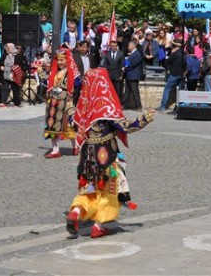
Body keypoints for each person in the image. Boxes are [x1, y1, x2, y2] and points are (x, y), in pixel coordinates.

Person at [65, 68, 155, 239]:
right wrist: (146, 118)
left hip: (87, 158)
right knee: (108, 191)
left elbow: (72, 119)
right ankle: (98, 226)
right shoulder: (106, 107)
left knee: (89, 190)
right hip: (107, 156)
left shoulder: (83, 106)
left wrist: (69, 105)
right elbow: (127, 127)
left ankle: (76, 211)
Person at [43, 49, 79, 158]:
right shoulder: (54, 72)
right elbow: (49, 84)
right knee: (52, 125)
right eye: (58, 60)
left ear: (67, 60)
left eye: (62, 60)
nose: (59, 62)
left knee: (68, 126)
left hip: (66, 100)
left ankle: (75, 146)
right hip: (54, 101)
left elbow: (77, 84)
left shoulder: (71, 72)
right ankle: (55, 150)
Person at [0, 43, 26, 108]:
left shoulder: (18, 55)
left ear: (12, 48)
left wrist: (15, 68)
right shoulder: (4, 55)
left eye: (8, 48)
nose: (6, 50)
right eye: (6, 48)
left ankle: (17, 103)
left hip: (14, 75)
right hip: (5, 74)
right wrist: (1, 66)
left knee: (15, 89)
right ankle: (3, 102)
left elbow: (21, 65)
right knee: (5, 88)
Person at [159, 39, 184, 111]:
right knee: (180, 91)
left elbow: (166, 63)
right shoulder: (184, 53)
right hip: (181, 74)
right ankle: (179, 106)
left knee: (167, 89)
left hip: (174, 74)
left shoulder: (175, 54)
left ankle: (163, 106)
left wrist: (168, 67)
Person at [122, 41, 144, 111]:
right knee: (127, 91)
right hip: (129, 75)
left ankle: (139, 106)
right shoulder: (132, 54)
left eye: (129, 46)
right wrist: (125, 65)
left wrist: (125, 68)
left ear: (132, 46)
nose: (128, 47)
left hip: (134, 76)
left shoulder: (137, 54)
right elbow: (127, 62)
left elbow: (132, 64)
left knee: (135, 91)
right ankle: (123, 105)